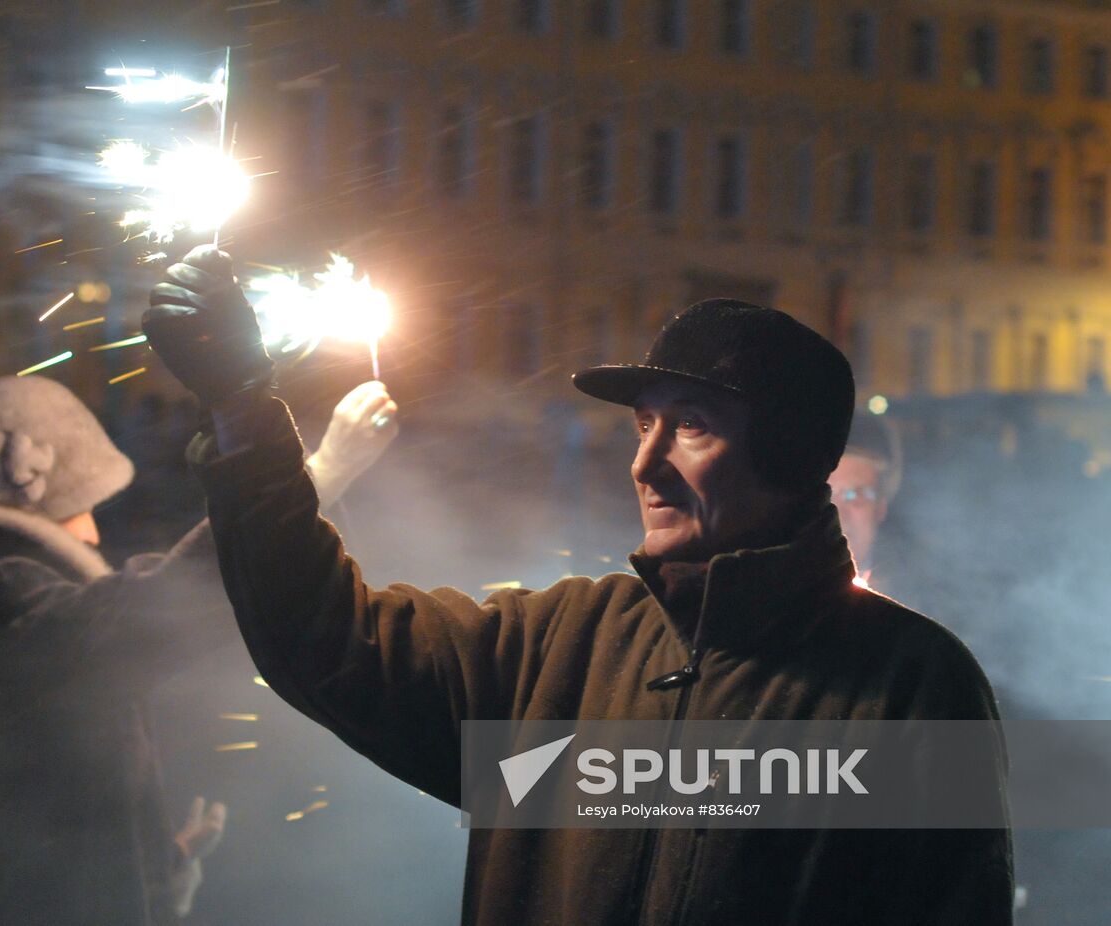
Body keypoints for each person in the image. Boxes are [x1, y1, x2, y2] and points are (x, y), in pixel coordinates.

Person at [140, 246, 1013, 926]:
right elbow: (326, 635)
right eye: (643, 424)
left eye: (693, 429)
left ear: (789, 457)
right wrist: (242, 407)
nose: (644, 463)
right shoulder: (554, 648)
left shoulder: (912, 689)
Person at [0, 373, 395, 926]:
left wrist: (164, 862)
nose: (91, 532)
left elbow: (65, 803)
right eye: (77, 505)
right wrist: (311, 480)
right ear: (25, 490)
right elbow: (147, 614)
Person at [828, 410, 902, 580]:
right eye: (827, 495)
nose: (839, 515)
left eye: (856, 495)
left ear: (880, 508)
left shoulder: (925, 600)